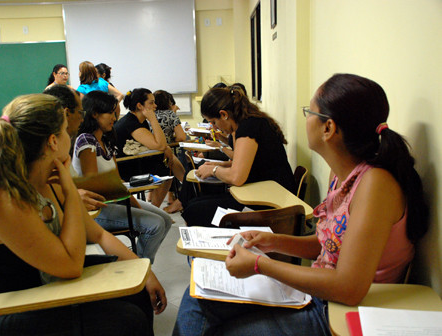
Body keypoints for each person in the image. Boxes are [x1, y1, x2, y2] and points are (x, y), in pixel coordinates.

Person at [173, 73, 429, 336]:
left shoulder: (376, 185)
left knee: (219, 327)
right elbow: (328, 244)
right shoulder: (341, 175)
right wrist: (272, 241)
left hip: (338, 311)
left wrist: (260, 265)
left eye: (310, 112)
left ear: (328, 128)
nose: (305, 119)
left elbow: (349, 287)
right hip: (318, 293)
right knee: (196, 297)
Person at [0, 94, 166, 335]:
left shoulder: (47, 179)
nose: (71, 136)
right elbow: (71, 265)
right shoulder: (3, 197)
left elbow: (97, 234)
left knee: (136, 293)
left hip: (38, 288)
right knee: (126, 320)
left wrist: (144, 272)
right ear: (53, 142)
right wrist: (71, 190)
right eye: (66, 130)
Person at [72, 90, 172, 263]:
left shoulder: (106, 140)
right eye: (110, 112)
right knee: (155, 224)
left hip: (115, 200)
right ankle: (139, 266)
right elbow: (94, 186)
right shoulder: (86, 141)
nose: (114, 117)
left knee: (165, 220)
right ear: (95, 114)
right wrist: (130, 203)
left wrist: (133, 204)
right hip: (97, 208)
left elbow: (118, 183)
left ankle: (139, 262)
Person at [178, 86, 296, 226]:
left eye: (214, 122)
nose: (215, 128)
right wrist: (220, 165)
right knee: (194, 204)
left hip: (272, 201)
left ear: (224, 114)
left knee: (195, 211)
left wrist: (213, 170)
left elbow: (237, 177)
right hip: (263, 191)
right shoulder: (249, 122)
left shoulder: (249, 127)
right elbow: (248, 162)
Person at [114, 88, 174, 208]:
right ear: (140, 106)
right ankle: (155, 209)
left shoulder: (139, 120)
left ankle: (183, 194)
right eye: (151, 103)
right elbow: (161, 145)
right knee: (164, 169)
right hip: (125, 168)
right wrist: (153, 119)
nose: (155, 106)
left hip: (134, 161)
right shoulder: (131, 123)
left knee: (168, 160)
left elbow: (159, 143)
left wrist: (167, 150)